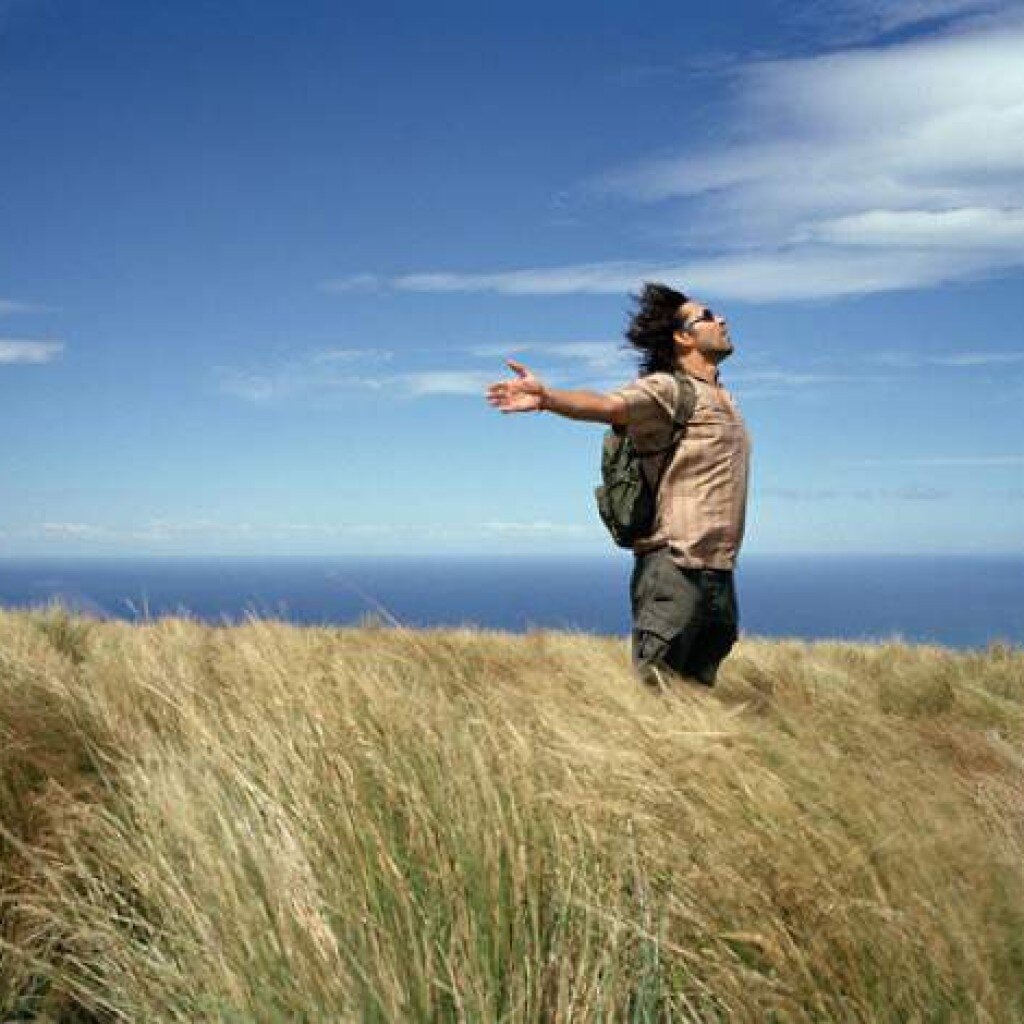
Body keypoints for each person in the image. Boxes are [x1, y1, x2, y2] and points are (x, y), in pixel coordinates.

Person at [485, 282, 751, 688]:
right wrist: (548, 398)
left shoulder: (725, 398)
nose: (722, 320)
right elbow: (609, 406)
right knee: (656, 694)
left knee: (697, 698)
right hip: (675, 565)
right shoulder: (667, 389)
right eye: (708, 317)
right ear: (682, 337)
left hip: (718, 569)